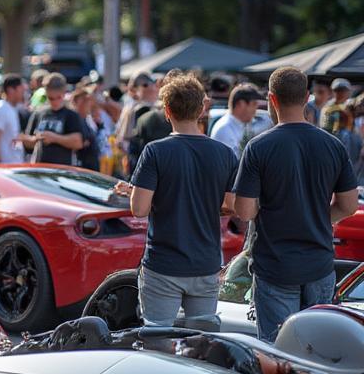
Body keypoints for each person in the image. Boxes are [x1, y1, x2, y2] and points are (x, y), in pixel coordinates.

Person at [234, 66, 359, 342]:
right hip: (319, 263)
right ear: (306, 97)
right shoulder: (333, 145)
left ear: (272, 99)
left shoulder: (258, 147)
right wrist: (317, 217)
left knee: (278, 354)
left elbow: (244, 210)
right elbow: (349, 205)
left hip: (275, 265)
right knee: (320, 352)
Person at [114, 74, 237, 330]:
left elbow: (139, 209)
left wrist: (149, 193)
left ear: (167, 110)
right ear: (202, 109)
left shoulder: (155, 151)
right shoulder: (224, 153)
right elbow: (231, 205)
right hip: (206, 262)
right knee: (202, 346)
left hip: (164, 264)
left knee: (158, 342)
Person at [19, 72, 84, 165]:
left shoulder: (71, 115)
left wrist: (55, 138)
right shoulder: (39, 113)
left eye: (58, 97)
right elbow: (28, 142)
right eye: (51, 98)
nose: (55, 102)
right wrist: (35, 139)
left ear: (64, 93)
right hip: (40, 168)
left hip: (62, 170)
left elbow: (78, 142)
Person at [210, 84, 272, 155]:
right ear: (241, 104)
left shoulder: (243, 124)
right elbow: (233, 162)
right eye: (254, 104)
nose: (256, 108)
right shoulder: (224, 129)